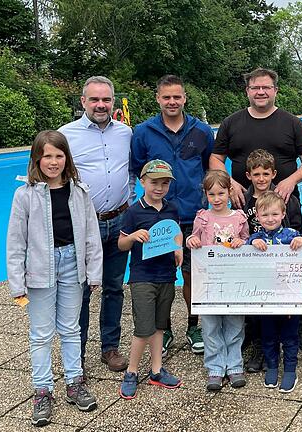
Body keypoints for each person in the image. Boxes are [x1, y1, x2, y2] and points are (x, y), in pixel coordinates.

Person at [211, 67, 302, 352]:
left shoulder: (291, 122)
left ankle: (300, 318)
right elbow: (215, 157)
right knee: (249, 255)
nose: (261, 92)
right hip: (245, 203)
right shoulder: (232, 123)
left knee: (292, 257)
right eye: (255, 87)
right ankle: (253, 325)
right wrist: (231, 184)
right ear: (247, 91)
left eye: (266, 87)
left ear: (275, 90)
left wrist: (291, 179)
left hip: (286, 205)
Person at [6, 130, 101, 427]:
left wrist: (93, 271)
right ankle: (43, 389)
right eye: (47, 155)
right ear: (37, 158)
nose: (53, 161)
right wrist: (16, 281)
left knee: (71, 328)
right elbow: (15, 241)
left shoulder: (79, 192)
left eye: (59, 155)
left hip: (73, 264)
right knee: (41, 333)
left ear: (66, 159)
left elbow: (90, 236)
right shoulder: (25, 195)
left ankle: (74, 382)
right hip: (40, 269)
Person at [131, 74, 215, 357]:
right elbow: (138, 170)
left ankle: (194, 326)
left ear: (184, 98)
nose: (172, 102)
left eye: (177, 96)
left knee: (192, 275)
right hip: (158, 218)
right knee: (162, 277)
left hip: (192, 216)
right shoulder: (143, 132)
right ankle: (163, 328)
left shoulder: (202, 131)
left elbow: (209, 169)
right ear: (158, 98)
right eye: (166, 97)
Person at [59, 76, 132, 373]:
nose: (101, 105)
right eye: (95, 99)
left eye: (106, 100)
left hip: (119, 220)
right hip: (84, 227)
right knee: (82, 290)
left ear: (113, 102)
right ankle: (77, 352)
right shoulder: (65, 136)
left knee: (114, 288)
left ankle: (109, 348)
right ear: (83, 102)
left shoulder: (126, 133)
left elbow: (132, 171)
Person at [117, 160, 183, 399]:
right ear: (143, 181)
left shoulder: (171, 208)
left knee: (159, 326)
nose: (159, 187)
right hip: (142, 277)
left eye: (164, 183)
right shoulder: (134, 211)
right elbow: (121, 244)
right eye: (154, 182)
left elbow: (176, 233)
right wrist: (134, 236)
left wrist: (179, 249)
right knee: (143, 329)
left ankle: (156, 370)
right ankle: (132, 372)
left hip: (166, 275)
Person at [186, 170, 250, 391]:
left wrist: (243, 243)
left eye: (221, 193)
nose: (216, 198)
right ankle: (214, 366)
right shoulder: (203, 217)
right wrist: (192, 240)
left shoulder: (239, 218)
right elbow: (193, 238)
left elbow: (246, 241)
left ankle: (234, 365)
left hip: (233, 281)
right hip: (209, 282)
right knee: (211, 326)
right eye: (211, 194)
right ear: (206, 194)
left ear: (229, 192)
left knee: (234, 324)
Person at [241, 149, 302, 373]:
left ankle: (288, 342)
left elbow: (297, 232)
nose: (261, 179)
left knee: (283, 310)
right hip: (255, 268)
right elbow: (239, 233)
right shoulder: (243, 200)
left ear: (273, 174)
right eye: (256, 174)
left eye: (265, 174)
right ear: (249, 175)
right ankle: (260, 346)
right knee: (258, 312)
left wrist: (297, 241)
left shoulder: (288, 200)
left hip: (281, 268)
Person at [247, 191, 302, 393]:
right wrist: (251, 244)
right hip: (265, 298)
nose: (270, 219)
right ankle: (272, 366)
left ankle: (290, 369)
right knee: (268, 334)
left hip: (288, 298)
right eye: (265, 215)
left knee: (290, 335)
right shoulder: (255, 238)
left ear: (283, 214)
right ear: (257, 217)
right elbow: (242, 255)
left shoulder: (291, 235)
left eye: (275, 214)